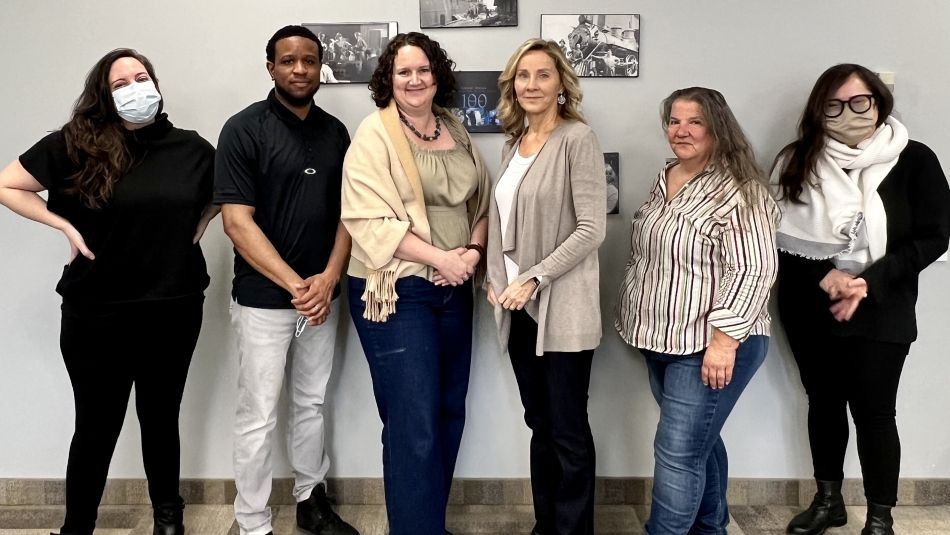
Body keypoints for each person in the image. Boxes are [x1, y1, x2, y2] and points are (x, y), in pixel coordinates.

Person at [0, 48, 217, 535]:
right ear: (103, 94)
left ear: (157, 85)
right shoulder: (73, 145)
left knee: (160, 419)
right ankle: (77, 527)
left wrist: (200, 223)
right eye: (121, 84)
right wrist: (64, 228)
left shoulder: (192, 149)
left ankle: (168, 520)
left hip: (173, 305)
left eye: (142, 77)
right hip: (95, 312)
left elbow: (232, 194)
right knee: (96, 426)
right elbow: (7, 185)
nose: (135, 88)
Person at [773, 64, 950, 535]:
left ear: (878, 103)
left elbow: (935, 237)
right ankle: (828, 501)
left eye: (859, 102)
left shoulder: (915, 159)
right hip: (810, 304)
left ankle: (879, 517)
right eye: (833, 105)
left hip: (883, 304)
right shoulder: (796, 159)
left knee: (874, 411)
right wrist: (827, 275)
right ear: (818, 110)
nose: (848, 113)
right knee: (823, 402)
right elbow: (775, 237)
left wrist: (867, 281)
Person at [341, 32, 490, 535]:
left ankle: (426, 524)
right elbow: (367, 219)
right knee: (414, 426)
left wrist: (470, 253)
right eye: (403, 72)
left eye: (422, 70)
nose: (414, 80)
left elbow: (482, 203)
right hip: (396, 293)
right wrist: (440, 261)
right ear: (389, 79)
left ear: (437, 75)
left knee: (449, 414)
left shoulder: (455, 128)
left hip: (455, 290)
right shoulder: (374, 134)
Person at [214, 25, 358, 535]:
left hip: (322, 297)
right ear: (270, 66)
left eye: (309, 61)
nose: (300, 69)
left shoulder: (336, 132)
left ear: (322, 68)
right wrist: (299, 285)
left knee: (311, 404)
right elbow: (236, 221)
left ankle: (310, 500)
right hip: (262, 301)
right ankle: (252, 521)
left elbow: (350, 213)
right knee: (257, 415)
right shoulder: (243, 129)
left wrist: (329, 278)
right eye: (289, 60)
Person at [615, 87, 778, 535]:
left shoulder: (741, 190)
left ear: (718, 128)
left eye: (695, 122)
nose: (680, 131)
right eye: (673, 121)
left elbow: (754, 269)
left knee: (677, 452)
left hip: (711, 344)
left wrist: (724, 343)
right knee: (697, 443)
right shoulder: (667, 175)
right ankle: (711, 527)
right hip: (660, 337)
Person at [487, 38, 606, 535]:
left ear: (561, 86)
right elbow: (498, 221)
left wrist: (535, 277)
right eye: (523, 75)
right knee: (539, 423)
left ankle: (573, 529)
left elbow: (591, 228)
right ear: (512, 86)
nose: (531, 84)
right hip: (516, 309)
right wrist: (497, 281)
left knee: (568, 430)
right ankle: (546, 524)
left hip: (561, 309)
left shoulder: (577, 138)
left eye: (543, 75)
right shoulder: (512, 144)